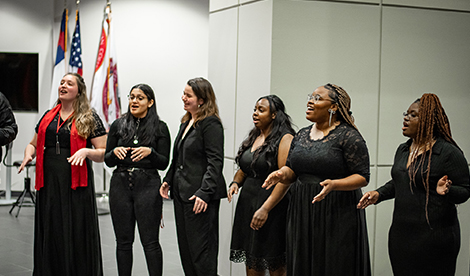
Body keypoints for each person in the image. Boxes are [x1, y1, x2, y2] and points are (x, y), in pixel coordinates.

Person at [252, 83, 371, 276]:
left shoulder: (349, 136)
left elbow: (362, 176)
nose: (310, 101)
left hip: (336, 211)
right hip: (302, 210)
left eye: (317, 98)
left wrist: (335, 184)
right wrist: (282, 173)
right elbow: (293, 170)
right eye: (311, 96)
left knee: (334, 265)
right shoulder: (301, 134)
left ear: (333, 107)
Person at [357, 93, 470, 276]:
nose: (406, 118)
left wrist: (447, 190)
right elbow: (400, 181)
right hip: (401, 236)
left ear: (428, 121)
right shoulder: (403, 149)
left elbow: (465, 191)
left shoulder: (448, 152)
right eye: (406, 113)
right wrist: (378, 194)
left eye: (413, 115)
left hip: (435, 238)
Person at [18, 73, 106, 275]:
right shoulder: (49, 116)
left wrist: (86, 151)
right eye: (61, 82)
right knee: (52, 228)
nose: (63, 86)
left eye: (69, 83)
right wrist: (28, 155)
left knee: (75, 230)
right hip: (49, 183)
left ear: (79, 91)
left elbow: (103, 153)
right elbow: (33, 144)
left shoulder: (89, 117)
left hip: (75, 184)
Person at [160, 77, 225, 276]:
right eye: (184, 93)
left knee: (201, 254)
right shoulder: (187, 122)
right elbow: (178, 157)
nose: (183, 98)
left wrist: (204, 192)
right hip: (182, 195)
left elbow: (215, 162)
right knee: (187, 252)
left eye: (188, 95)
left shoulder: (210, 123)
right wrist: (167, 180)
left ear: (202, 100)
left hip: (200, 197)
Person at [104, 84, 171, 275]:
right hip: (120, 185)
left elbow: (164, 163)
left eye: (140, 98)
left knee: (150, 242)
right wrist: (114, 152)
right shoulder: (118, 125)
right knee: (123, 242)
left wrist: (150, 152)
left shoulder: (160, 127)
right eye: (132, 97)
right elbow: (108, 160)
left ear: (150, 102)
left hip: (148, 186)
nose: (134, 101)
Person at [228, 95, 295, 276]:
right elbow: (246, 167)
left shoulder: (285, 138)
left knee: (275, 264)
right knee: (253, 260)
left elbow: (285, 178)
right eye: (255, 109)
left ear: (274, 115)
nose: (255, 114)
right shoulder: (255, 136)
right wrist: (236, 182)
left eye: (261, 110)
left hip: (273, 207)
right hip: (248, 203)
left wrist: (265, 209)